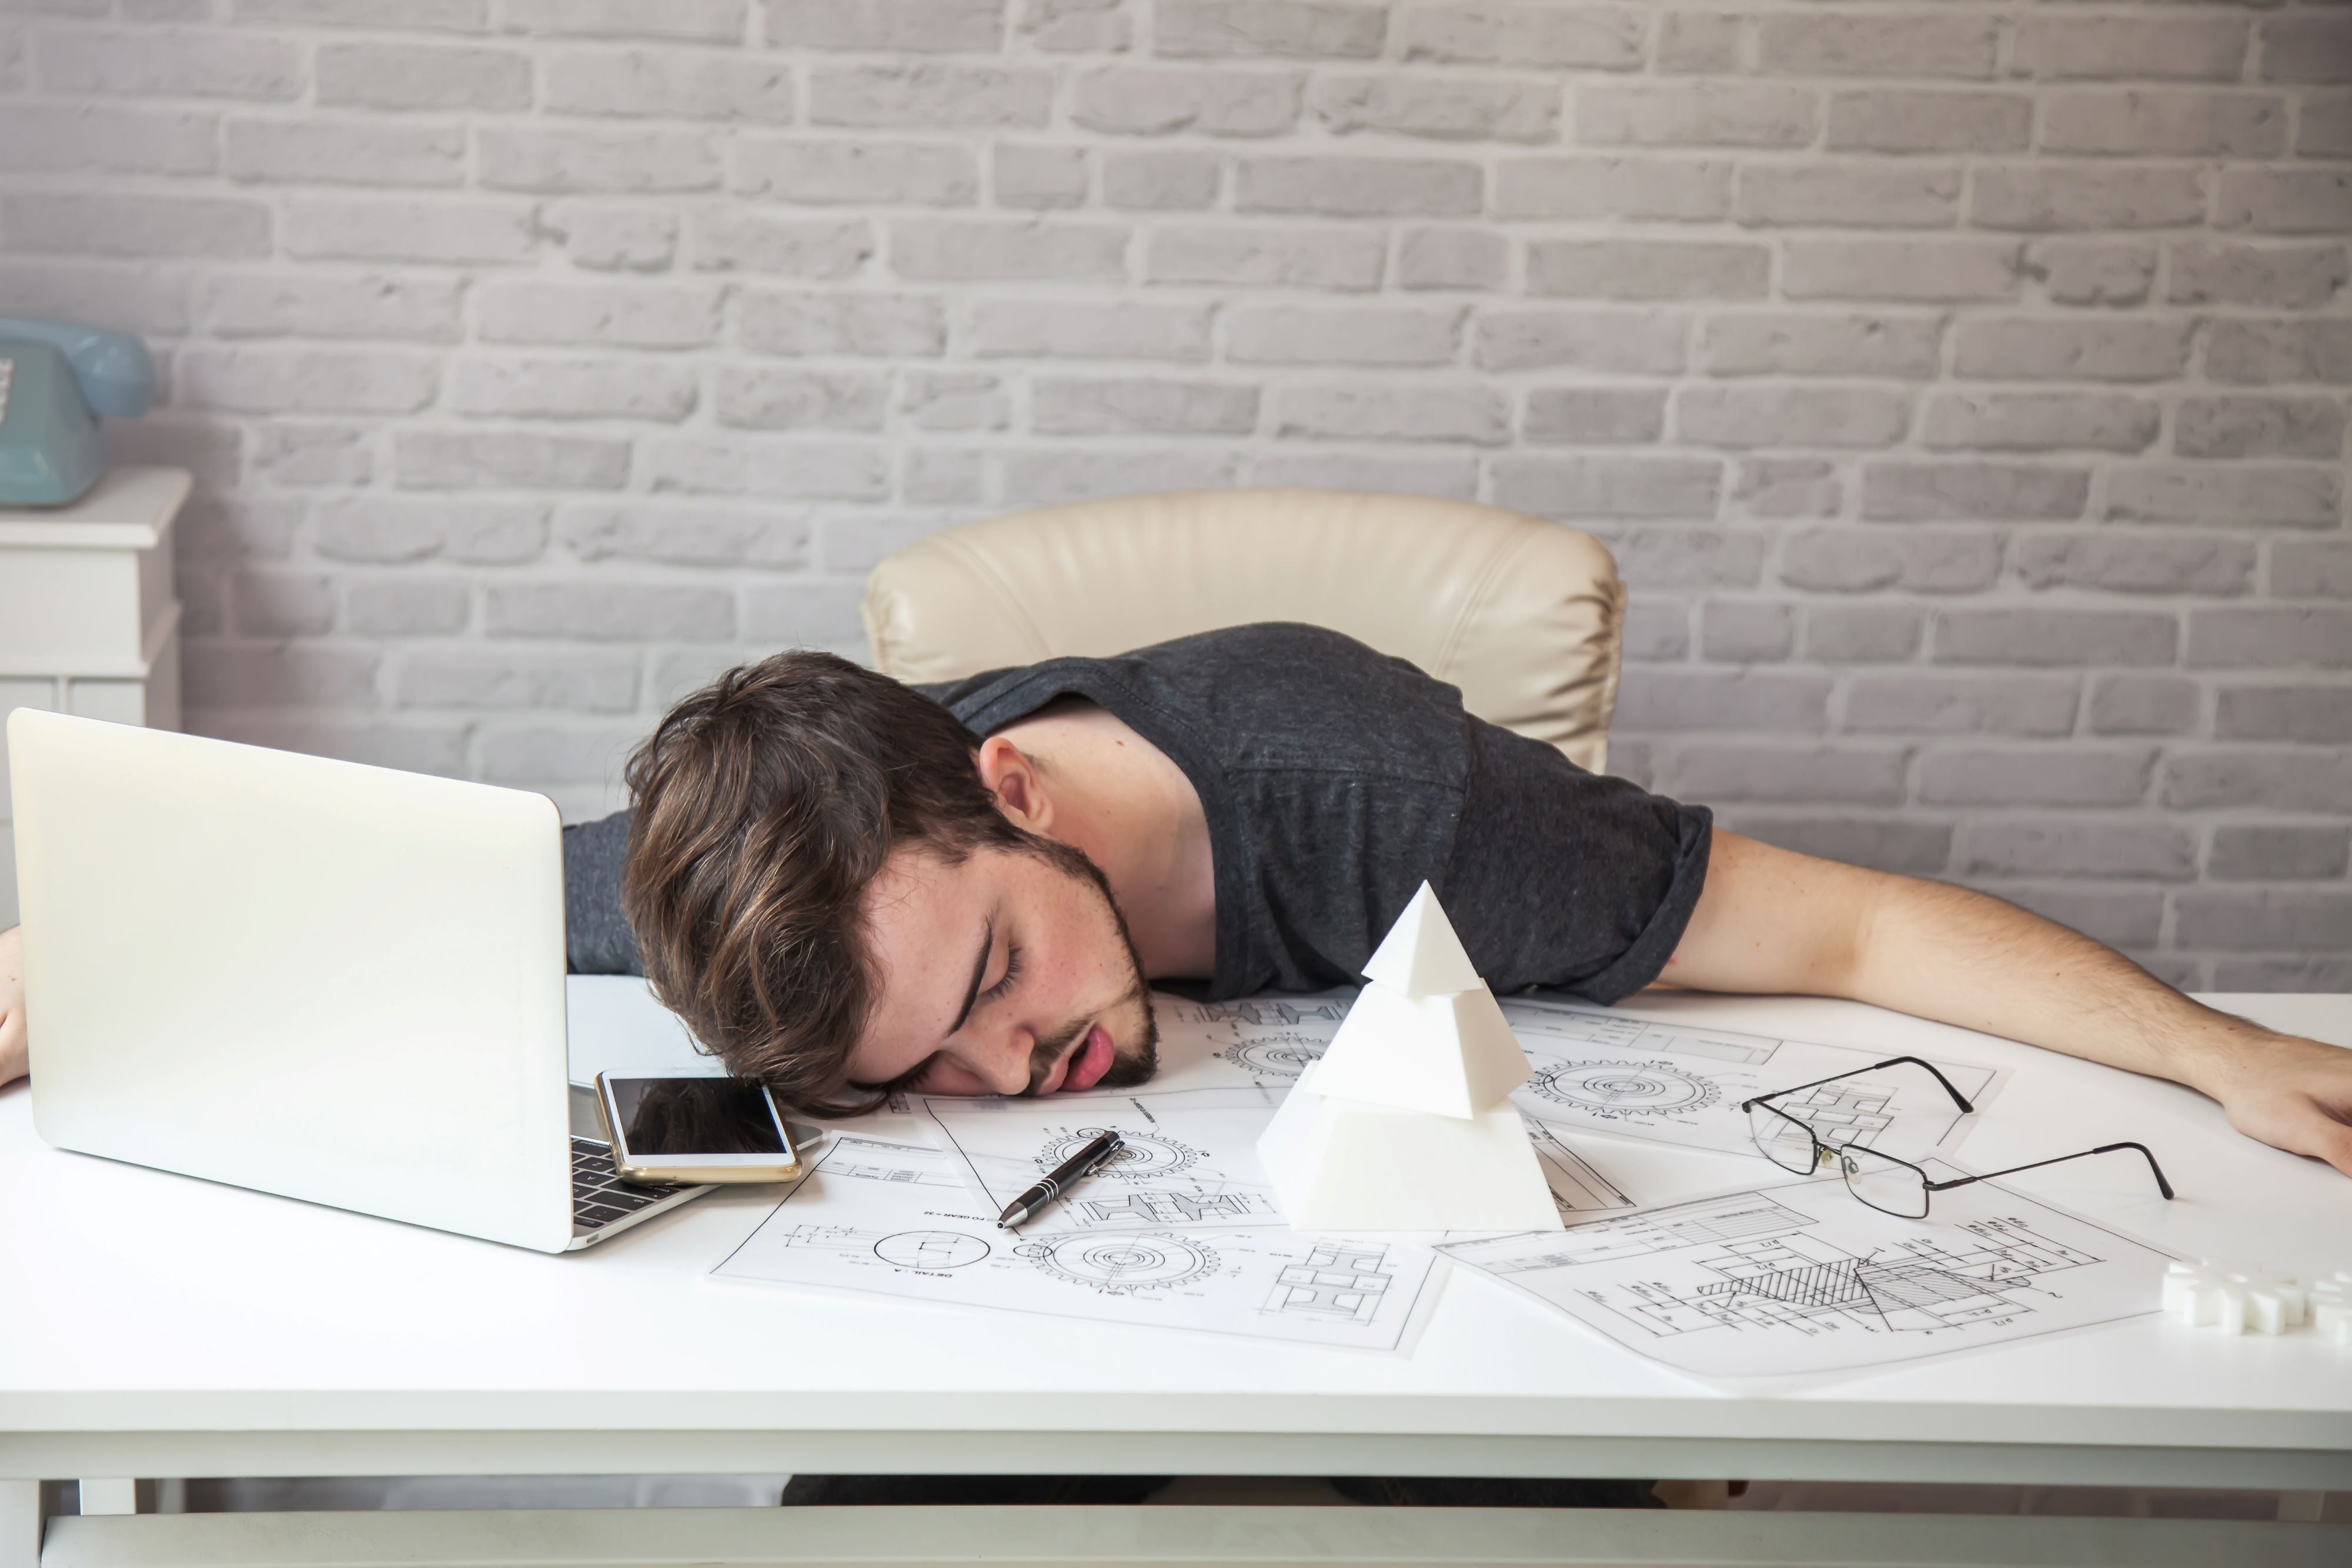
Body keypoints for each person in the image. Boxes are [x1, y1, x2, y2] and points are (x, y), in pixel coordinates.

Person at [2, 624, 2347, 1186]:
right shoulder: (819, 901)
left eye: (1005, 979)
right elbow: (434, 890)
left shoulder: (1408, 809)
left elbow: (1836, 938)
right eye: (919, 1068)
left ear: (1010, 792)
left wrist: (2219, 1051)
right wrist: (52, 976)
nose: (1011, 1072)